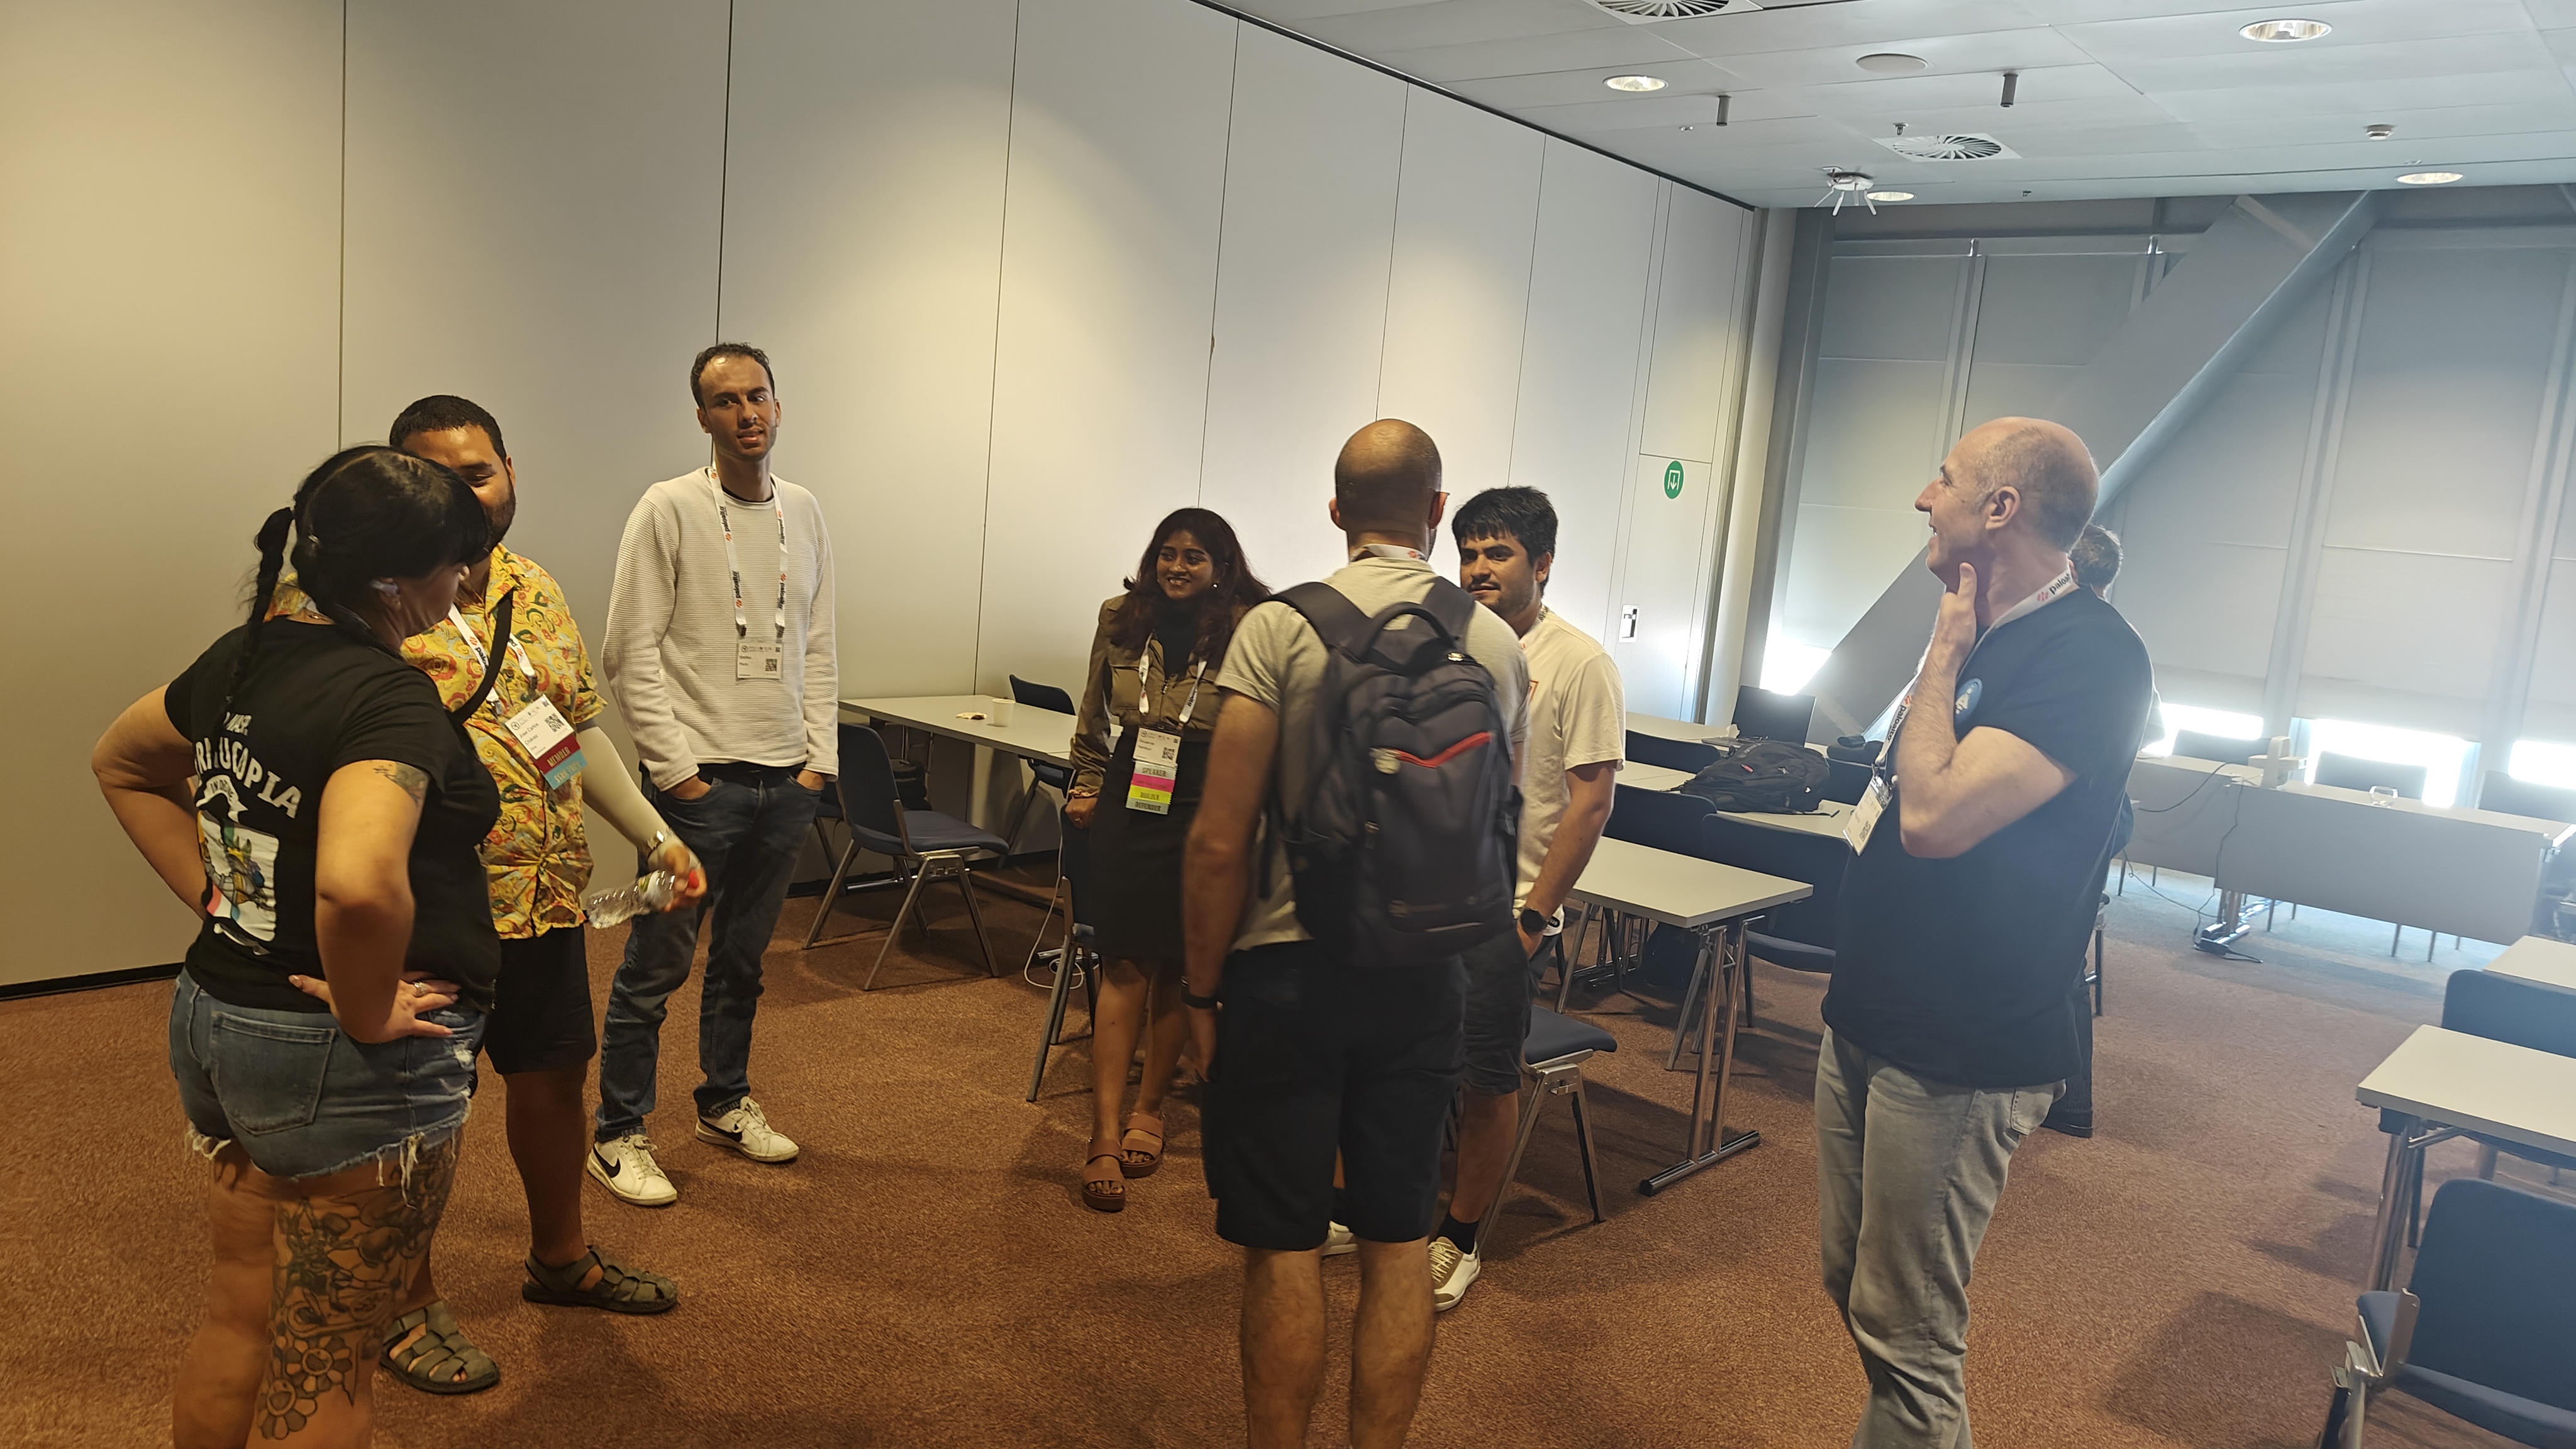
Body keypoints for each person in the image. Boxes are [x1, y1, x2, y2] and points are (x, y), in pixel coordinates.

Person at [266, 397, 704, 1391]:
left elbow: (564, 731)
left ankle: (561, 1259)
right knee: (415, 1115)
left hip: (542, 894)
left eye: (479, 473)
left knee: (553, 1079)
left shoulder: (532, 587)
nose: (466, 494)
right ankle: (403, 1299)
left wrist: (653, 834)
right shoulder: (333, 604)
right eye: (436, 476)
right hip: (422, 909)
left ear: (511, 474)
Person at [91, 447, 497, 1446]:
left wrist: (225, 905)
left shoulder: (245, 656)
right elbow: (358, 884)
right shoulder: (385, 699)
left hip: (222, 1020)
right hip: (337, 1058)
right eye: (455, 563)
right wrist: (366, 1009)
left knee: (243, 1318)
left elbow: (122, 762)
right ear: (391, 581)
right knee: (327, 1360)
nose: (467, 581)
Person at [1184, 419, 1530, 1449]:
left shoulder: (1279, 628)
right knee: (1395, 1242)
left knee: (1285, 1246)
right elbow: (1495, 818)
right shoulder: (1493, 642)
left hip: (1288, 973)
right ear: (1438, 511)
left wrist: (1199, 993)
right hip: (1426, 975)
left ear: (1336, 511)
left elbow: (1218, 840)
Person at [1819, 418, 2153, 1445]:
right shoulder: (1988, 634)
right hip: (1869, 1013)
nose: (1925, 497)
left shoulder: (2092, 655)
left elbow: (1931, 818)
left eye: (1946, 477)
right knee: (1854, 1283)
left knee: (1908, 1331)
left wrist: (1944, 650)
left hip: (1961, 1044)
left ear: (2001, 507)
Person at [593, 342, 838, 1206]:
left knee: (743, 962)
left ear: (778, 404)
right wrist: (678, 775)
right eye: (727, 401)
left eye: (758, 396)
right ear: (702, 417)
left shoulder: (804, 510)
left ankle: (724, 1102)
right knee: (655, 968)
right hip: (699, 793)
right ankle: (618, 1131)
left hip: (785, 788)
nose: (747, 414)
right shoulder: (668, 508)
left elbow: (819, 643)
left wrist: (819, 764)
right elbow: (627, 652)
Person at [1431, 486, 1622, 1309]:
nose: (1478, 568)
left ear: (1541, 564)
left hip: (1503, 912)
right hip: (1428, 900)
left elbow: (1591, 803)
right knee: (1402, 1060)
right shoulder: (1447, 644)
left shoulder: (1579, 663)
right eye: (1469, 553)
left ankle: (1462, 1235)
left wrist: (1533, 920)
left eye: (1498, 553)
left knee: (1486, 1078)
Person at [1063, 508, 1270, 1212]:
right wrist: (1087, 782)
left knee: (1182, 964)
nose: (1178, 568)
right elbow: (1092, 711)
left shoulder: (1250, 626)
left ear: (1222, 568)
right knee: (1123, 962)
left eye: (1195, 557)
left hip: (1209, 794)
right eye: (1168, 554)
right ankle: (1102, 1131)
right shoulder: (1120, 616)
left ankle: (1149, 1109)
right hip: (1133, 793)